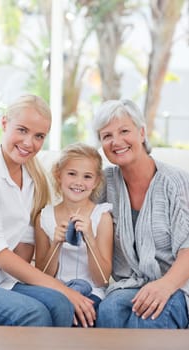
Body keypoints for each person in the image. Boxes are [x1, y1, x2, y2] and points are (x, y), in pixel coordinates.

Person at [0, 94, 96, 328]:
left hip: (1, 281)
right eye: (22, 130)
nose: (29, 143)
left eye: (39, 136)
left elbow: (23, 247)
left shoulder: (33, 180)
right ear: (4, 124)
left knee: (60, 304)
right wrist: (61, 288)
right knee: (32, 314)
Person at [92, 99, 189, 329]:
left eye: (124, 131)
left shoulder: (175, 182)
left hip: (177, 283)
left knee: (147, 320)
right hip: (128, 286)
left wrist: (165, 286)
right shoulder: (104, 184)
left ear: (142, 133)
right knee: (109, 311)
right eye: (107, 136)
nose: (116, 141)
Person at [35, 143, 113, 326]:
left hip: (92, 292)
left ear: (95, 182)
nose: (79, 182)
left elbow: (102, 279)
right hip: (55, 291)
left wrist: (90, 240)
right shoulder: (44, 217)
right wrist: (56, 243)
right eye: (72, 174)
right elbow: (42, 275)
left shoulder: (102, 216)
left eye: (87, 176)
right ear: (58, 175)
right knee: (57, 311)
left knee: (82, 315)